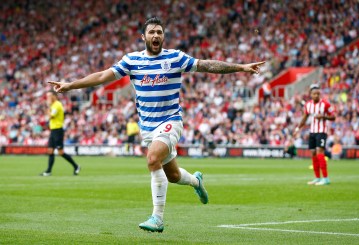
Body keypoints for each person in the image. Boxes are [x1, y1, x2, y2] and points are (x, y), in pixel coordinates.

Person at [48, 17, 265, 232]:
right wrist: (70, 86)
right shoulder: (132, 60)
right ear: (143, 37)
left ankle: (157, 218)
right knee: (173, 176)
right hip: (148, 128)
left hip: (171, 121)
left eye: (159, 32)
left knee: (152, 159)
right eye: (152, 32)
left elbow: (206, 65)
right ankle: (196, 182)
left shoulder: (175, 58)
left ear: (163, 36)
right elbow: (103, 76)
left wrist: (242, 67)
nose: (156, 35)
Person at [293, 84, 335, 186]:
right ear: (310, 95)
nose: (316, 95)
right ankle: (317, 177)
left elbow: (333, 117)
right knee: (313, 154)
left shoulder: (325, 104)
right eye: (314, 94)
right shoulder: (308, 105)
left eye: (318, 94)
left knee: (320, 152)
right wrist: (298, 128)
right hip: (312, 132)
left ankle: (326, 178)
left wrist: (324, 116)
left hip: (321, 131)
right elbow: (304, 118)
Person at [40, 91, 81, 176]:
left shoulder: (57, 104)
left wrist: (47, 107)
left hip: (58, 130)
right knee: (50, 151)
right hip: (53, 130)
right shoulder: (53, 105)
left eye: (49, 96)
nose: (48, 98)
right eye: (47, 96)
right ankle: (48, 171)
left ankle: (76, 166)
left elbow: (51, 116)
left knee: (60, 152)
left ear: (54, 96)